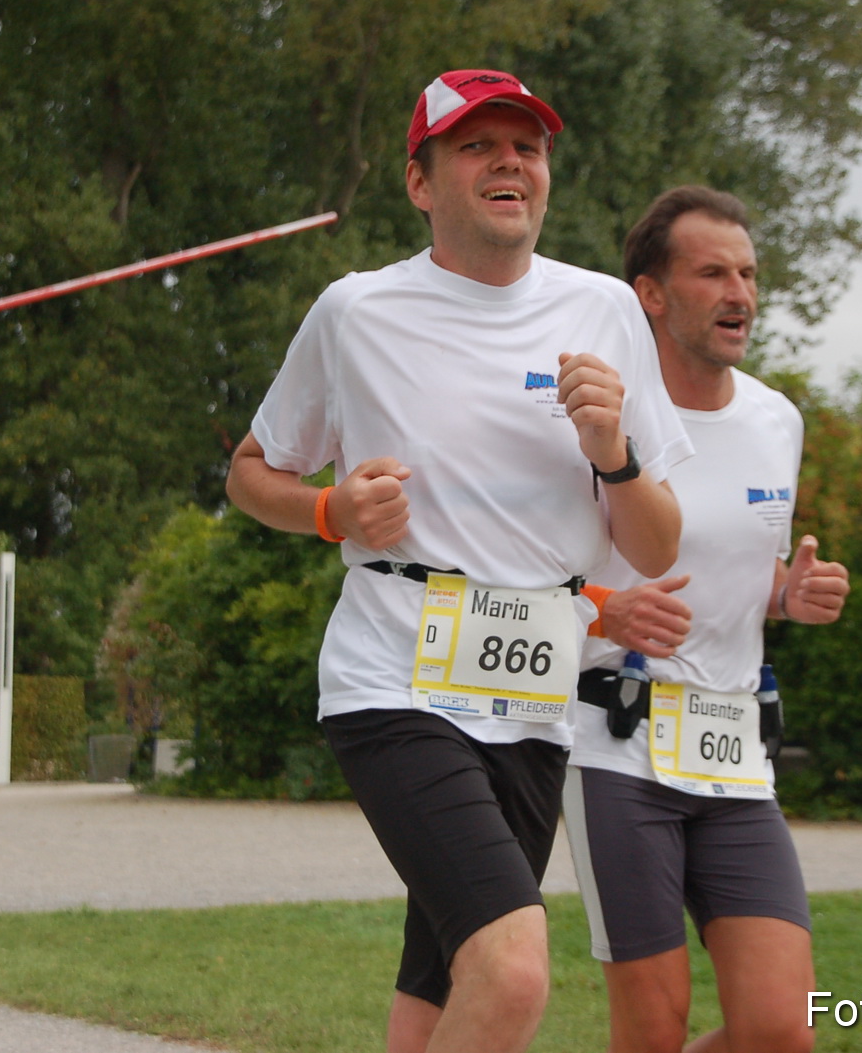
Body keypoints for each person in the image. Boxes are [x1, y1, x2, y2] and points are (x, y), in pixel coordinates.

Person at [226, 69, 691, 1053]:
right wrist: (326, 508)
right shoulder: (358, 312)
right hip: (391, 678)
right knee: (514, 968)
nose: (510, 160)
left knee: (441, 987)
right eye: (478, 145)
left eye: (527, 145)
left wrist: (615, 452)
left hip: (533, 691)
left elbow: (655, 545)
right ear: (420, 181)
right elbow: (250, 470)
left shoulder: (605, 311)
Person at [563, 186, 851, 1053]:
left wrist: (783, 594)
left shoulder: (776, 420)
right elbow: (524, 571)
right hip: (616, 746)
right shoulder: (599, 418)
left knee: (780, 1030)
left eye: (750, 274)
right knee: (652, 1030)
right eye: (713, 272)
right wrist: (607, 606)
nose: (741, 294)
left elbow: (730, 569)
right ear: (651, 293)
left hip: (733, 752)